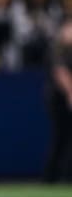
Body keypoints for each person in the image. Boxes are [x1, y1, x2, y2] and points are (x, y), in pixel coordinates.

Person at [43, 20, 72, 183]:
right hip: (58, 98)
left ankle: (66, 175)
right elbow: (60, 72)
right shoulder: (58, 48)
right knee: (61, 137)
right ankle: (51, 176)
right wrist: (70, 93)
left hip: (65, 97)